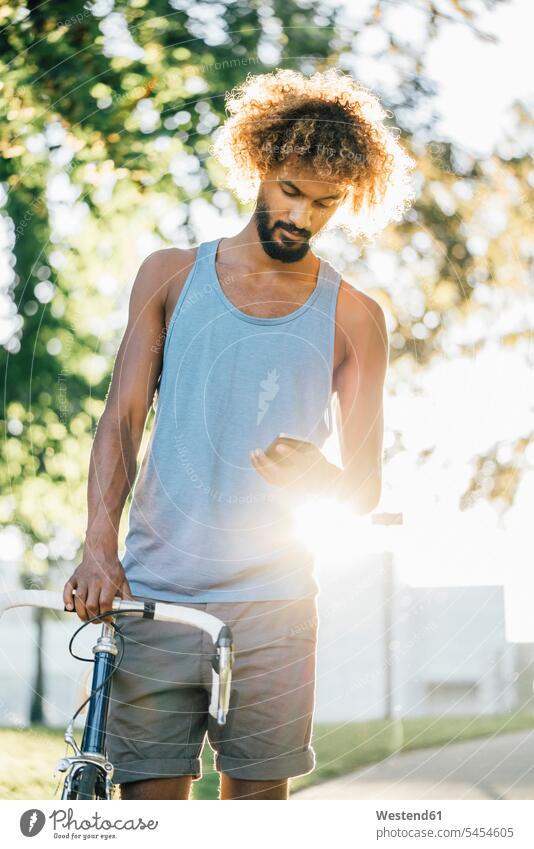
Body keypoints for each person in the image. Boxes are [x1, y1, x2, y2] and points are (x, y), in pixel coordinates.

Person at [63, 67, 415, 800]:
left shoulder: (356, 318)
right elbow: (121, 422)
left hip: (277, 603)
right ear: (259, 165)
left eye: (325, 203)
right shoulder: (167, 276)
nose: (302, 216)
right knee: (147, 813)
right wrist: (99, 547)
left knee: (256, 819)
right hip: (156, 593)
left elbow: (364, 487)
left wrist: (321, 477)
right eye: (290, 190)